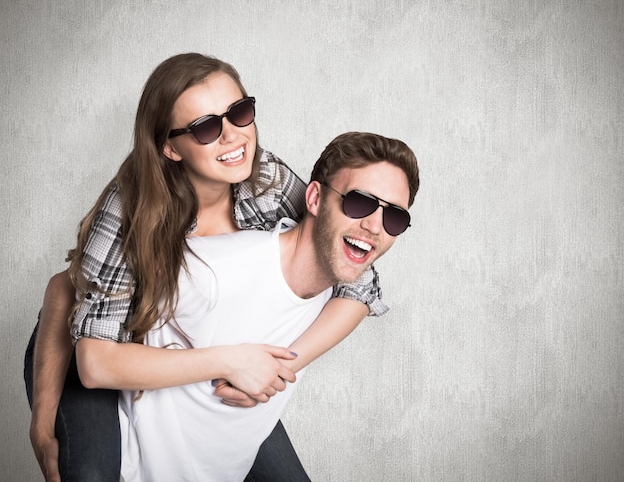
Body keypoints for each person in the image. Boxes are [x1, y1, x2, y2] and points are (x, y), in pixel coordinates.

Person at [24, 53, 392, 482]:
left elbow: (356, 274)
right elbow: (73, 314)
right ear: (168, 146)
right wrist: (42, 424)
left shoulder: (265, 181)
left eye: (240, 113)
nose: (234, 137)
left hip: (214, 366)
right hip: (94, 353)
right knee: (91, 473)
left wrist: (278, 365)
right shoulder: (130, 209)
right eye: (205, 127)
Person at [109, 130, 420, 481]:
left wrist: (279, 366)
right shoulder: (216, 270)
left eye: (395, 217)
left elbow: (365, 292)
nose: (375, 226)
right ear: (314, 198)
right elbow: (88, 329)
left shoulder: (334, 295)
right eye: (359, 202)